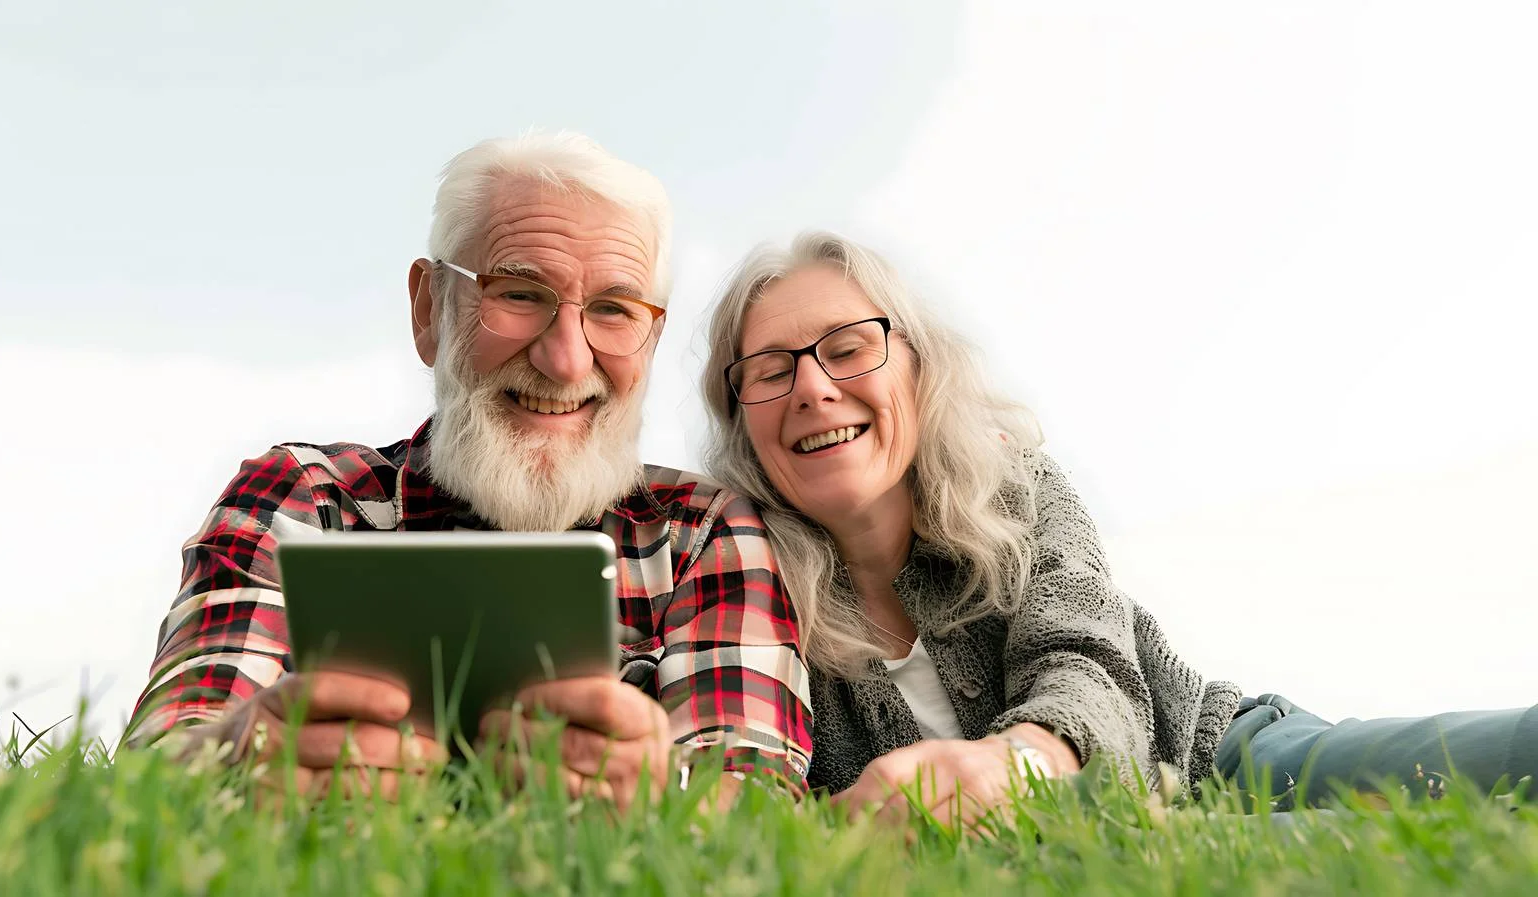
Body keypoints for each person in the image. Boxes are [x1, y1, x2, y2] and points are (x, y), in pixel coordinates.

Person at [699, 230, 1538, 826]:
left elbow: (1084, 656)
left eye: (848, 348)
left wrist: (1017, 763)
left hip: (1216, 759)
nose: (812, 387)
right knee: (1354, 849)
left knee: (1511, 756)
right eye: (770, 371)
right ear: (743, 421)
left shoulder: (1015, 484)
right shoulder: (736, 590)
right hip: (1108, 848)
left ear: (918, 368)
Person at [122, 132, 812, 806]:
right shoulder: (300, 497)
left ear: (652, 340)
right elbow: (163, 756)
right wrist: (238, 753)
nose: (567, 359)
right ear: (429, 310)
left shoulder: (700, 533)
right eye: (518, 293)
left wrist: (668, 790)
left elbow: (757, 803)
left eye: (612, 310)